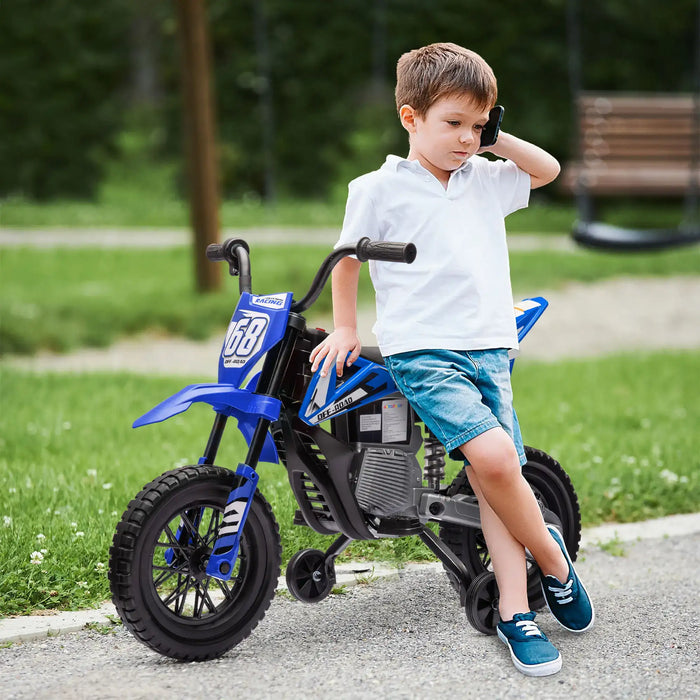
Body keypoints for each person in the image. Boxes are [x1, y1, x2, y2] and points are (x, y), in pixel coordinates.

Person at [309, 42, 594, 677]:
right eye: (453, 124)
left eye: (478, 125)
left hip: (491, 345)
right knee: (494, 459)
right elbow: (348, 258)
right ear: (410, 118)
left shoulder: (486, 179)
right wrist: (349, 325)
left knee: (497, 482)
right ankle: (553, 562)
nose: (467, 139)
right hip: (424, 350)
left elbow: (547, 170)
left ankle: (517, 613)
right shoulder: (377, 187)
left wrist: (497, 139)